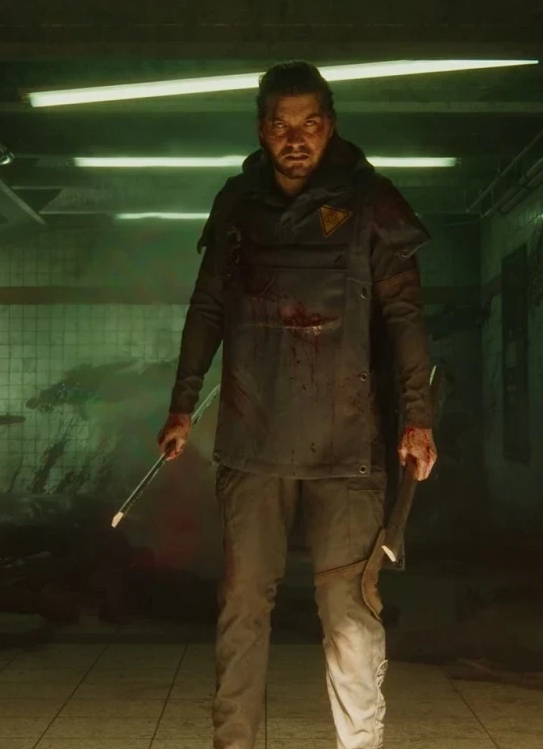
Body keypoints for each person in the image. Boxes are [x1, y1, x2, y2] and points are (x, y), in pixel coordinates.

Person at [156, 61, 438, 749]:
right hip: (252, 439)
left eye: (309, 123)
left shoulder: (371, 203)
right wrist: (182, 404)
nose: (295, 138)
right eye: (281, 125)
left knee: (349, 613)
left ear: (329, 126)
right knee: (242, 607)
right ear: (262, 129)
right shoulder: (237, 204)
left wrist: (417, 417)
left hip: (349, 446)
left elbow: (404, 314)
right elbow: (207, 307)